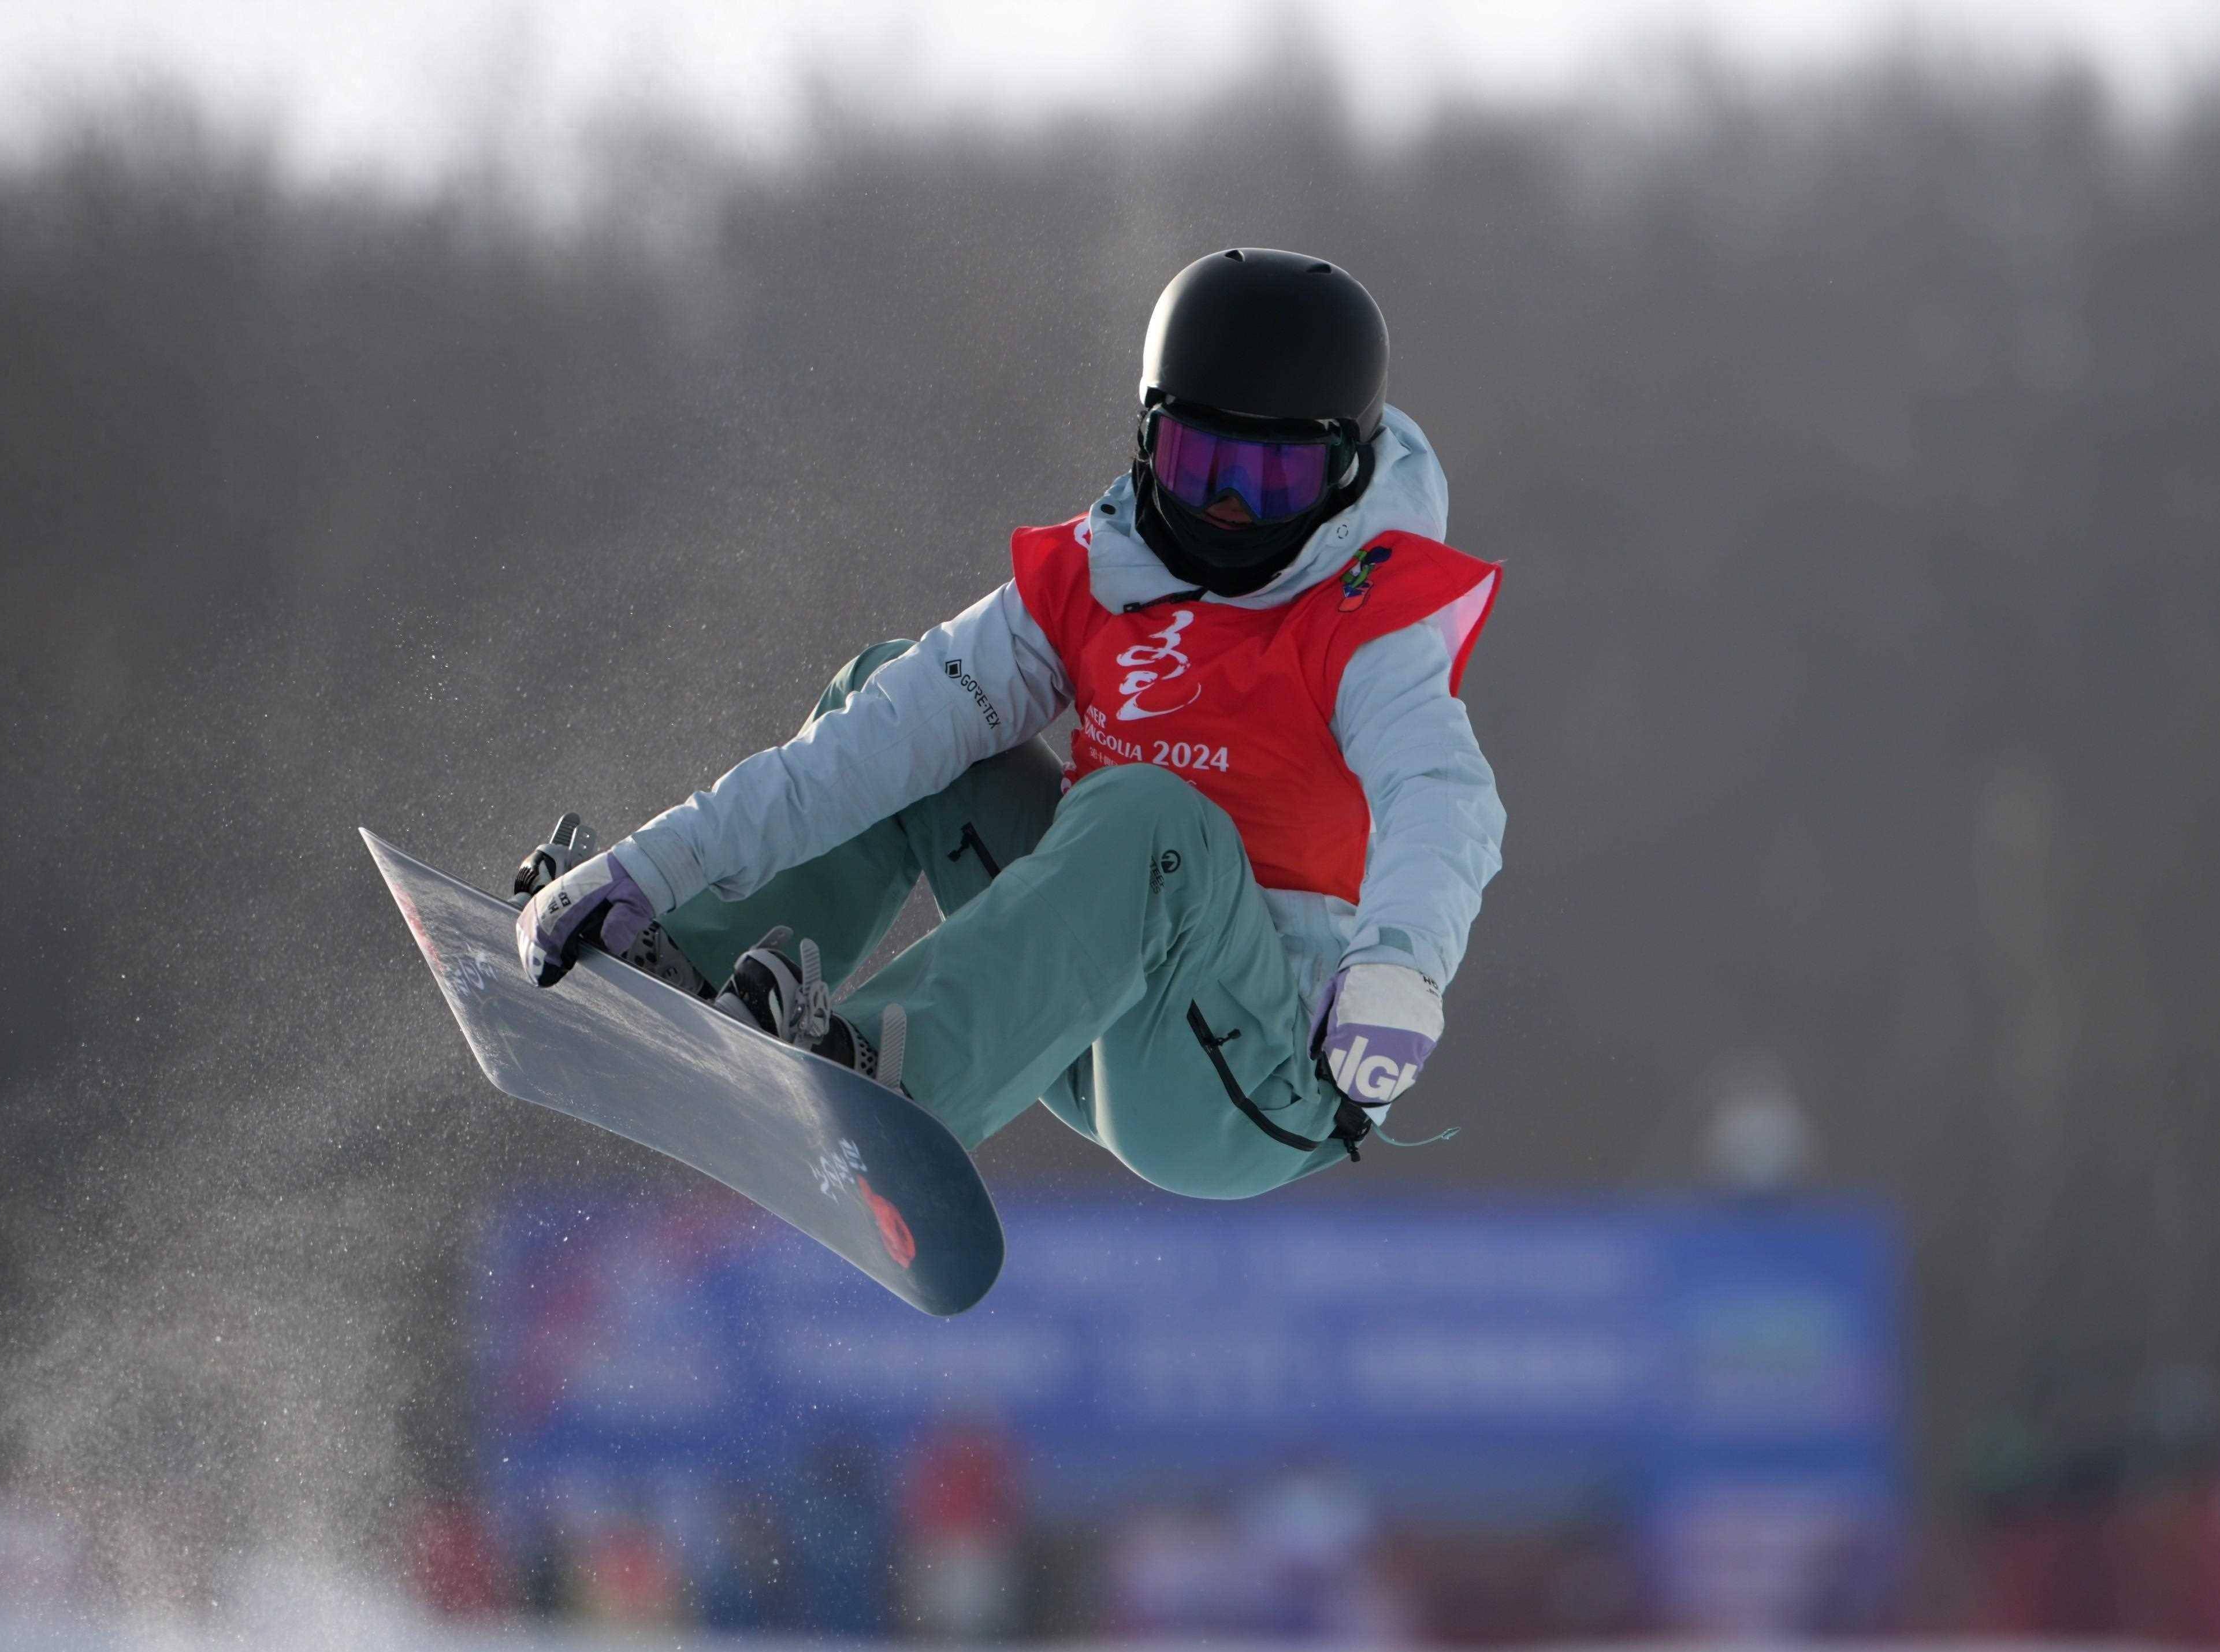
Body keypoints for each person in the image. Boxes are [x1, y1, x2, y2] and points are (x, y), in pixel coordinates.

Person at [518, 249, 1503, 1195]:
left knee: (1151, 816)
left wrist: (1398, 971)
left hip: (1248, 1082)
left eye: (1274, 480)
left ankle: (885, 1076)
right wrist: (659, 862)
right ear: (1149, 440)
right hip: (1074, 1027)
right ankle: (689, 961)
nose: (1235, 512)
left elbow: (1441, 798)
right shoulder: (1097, 573)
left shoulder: (1367, 618)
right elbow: (882, 736)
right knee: (903, 704)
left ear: (1344, 474)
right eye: (1203, 466)